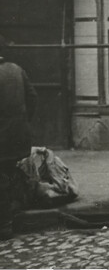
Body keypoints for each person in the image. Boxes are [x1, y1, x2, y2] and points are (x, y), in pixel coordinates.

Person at [0, 34, 37, 240]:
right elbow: (33, 98)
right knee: (6, 174)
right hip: (18, 136)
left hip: (2, 139)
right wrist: (22, 123)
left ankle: (4, 225)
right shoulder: (16, 69)